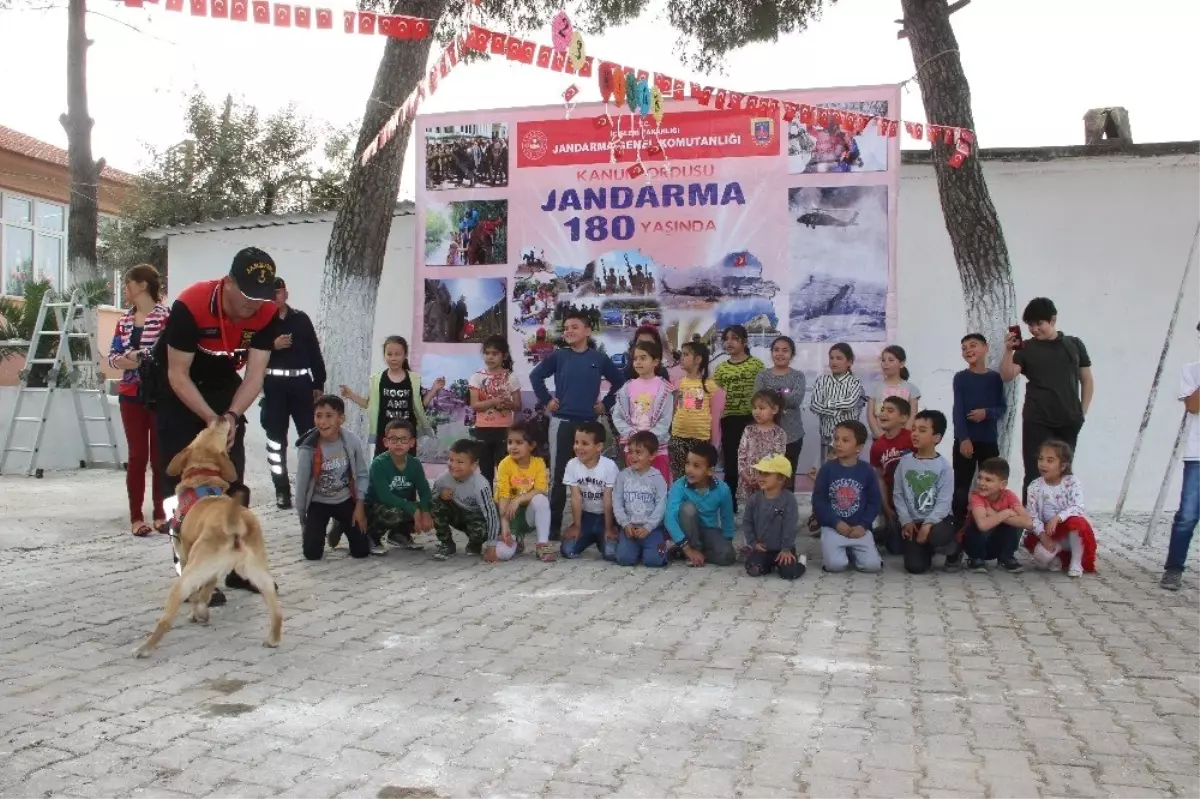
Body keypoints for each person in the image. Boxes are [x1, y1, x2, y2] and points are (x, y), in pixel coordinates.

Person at [153, 247, 283, 606]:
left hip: (222, 380)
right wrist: (210, 419)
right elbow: (177, 374)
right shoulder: (192, 304)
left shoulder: (268, 313)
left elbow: (255, 374)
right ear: (228, 283)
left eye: (261, 297)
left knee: (232, 478)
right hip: (176, 387)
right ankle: (190, 574)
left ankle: (240, 567)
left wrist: (231, 417)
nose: (253, 306)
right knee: (177, 485)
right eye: (246, 296)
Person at [529, 310, 625, 538]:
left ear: (587, 331)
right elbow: (535, 377)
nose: (569, 331)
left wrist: (606, 403)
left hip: (588, 424)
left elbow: (619, 382)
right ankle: (551, 528)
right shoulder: (559, 356)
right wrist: (547, 401)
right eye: (566, 328)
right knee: (559, 475)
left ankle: (592, 525)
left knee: (588, 476)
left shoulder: (598, 358)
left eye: (574, 327)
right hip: (562, 423)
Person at [1000, 297, 1094, 499]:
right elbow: (1007, 375)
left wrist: (1082, 412)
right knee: (1035, 472)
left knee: (1063, 472)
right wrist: (1009, 350)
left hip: (1069, 420)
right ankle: (1032, 524)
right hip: (1038, 419)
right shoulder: (1026, 348)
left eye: (1039, 323)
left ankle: (1061, 519)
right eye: (1030, 325)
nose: (1034, 329)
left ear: (1052, 320)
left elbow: (1086, 379)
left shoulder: (1074, 344)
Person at [107, 263, 170, 537]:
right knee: (136, 457)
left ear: (143, 285)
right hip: (130, 395)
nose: (125, 289)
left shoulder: (167, 317)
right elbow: (113, 357)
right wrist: (136, 358)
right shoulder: (123, 320)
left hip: (160, 395)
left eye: (128, 283)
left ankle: (160, 514)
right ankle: (135, 517)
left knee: (160, 457)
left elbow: (164, 355)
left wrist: (132, 357)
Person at [261, 277, 327, 510]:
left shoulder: (300, 319)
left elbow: (314, 350)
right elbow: (248, 352)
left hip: (301, 383)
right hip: (274, 385)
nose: (275, 297)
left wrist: (318, 381)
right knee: (275, 440)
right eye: (270, 293)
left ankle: (310, 486)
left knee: (309, 438)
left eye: (278, 292)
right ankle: (281, 490)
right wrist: (272, 345)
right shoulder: (260, 322)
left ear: (285, 294)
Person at [294, 395, 370, 561]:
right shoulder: (308, 448)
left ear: (341, 418)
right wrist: (303, 520)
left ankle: (341, 524)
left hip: (345, 499)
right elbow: (300, 486)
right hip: (318, 502)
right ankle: (327, 526)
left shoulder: (351, 440)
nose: (322, 422)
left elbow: (363, 474)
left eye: (329, 416)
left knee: (362, 551)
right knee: (312, 554)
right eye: (318, 416)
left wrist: (360, 506)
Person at [340, 336, 440, 457]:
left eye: (398, 354)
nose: (393, 358)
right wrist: (350, 394)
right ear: (384, 356)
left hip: (406, 437)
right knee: (383, 469)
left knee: (406, 470)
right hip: (385, 436)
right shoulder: (378, 379)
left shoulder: (413, 379)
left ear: (405, 355)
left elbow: (420, 405)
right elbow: (369, 404)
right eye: (389, 354)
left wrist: (434, 389)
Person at [893, 410, 958, 575]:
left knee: (937, 535)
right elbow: (898, 495)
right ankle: (926, 550)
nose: (915, 434)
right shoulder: (904, 463)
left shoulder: (944, 467)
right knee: (915, 567)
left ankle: (952, 547)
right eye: (913, 429)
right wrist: (906, 520)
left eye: (922, 430)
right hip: (914, 521)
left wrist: (928, 524)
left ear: (936, 438)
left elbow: (944, 502)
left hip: (937, 521)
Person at [813, 420, 882, 574]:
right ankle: (838, 552)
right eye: (836, 439)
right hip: (834, 528)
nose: (838, 444)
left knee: (872, 566)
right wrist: (836, 523)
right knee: (836, 566)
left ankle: (856, 551)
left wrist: (863, 525)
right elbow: (819, 501)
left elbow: (874, 502)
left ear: (859, 447)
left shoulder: (867, 471)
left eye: (845, 440)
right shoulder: (827, 470)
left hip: (859, 529)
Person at [952, 333, 1007, 525]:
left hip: (988, 441)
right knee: (961, 488)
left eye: (973, 345)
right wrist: (963, 438)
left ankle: (989, 526)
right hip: (966, 440)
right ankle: (958, 531)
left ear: (985, 348)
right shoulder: (961, 378)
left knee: (992, 487)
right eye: (964, 348)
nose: (968, 350)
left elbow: (1002, 408)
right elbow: (958, 410)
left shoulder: (995, 378)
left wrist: (987, 413)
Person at [1022, 440, 1097, 577]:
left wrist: (1058, 518)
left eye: (1050, 460)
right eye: (1041, 459)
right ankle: (1056, 558)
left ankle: (1076, 562)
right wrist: (1043, 536)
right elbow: (1032, 516)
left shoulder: (1071, 482)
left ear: (1062, 466)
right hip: (1048, 532)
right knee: (1041, 559)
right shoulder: (1034, 486)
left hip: (1069, 533)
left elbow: (1077, 506)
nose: (1043, 464)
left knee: (1077, 523)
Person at [713, 325, 765, 513]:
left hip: (751, 420)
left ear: (744, 341)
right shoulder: (720, 369)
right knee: (731, 465)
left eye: (734, 338)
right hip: (728, 421)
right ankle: (730, 505)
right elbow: (716, 398)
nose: (729, 342)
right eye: (726, 339)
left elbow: (763, 395)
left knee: (754, 462)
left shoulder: (757, 365)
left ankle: (755, 505)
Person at [1162, 343, 1200, 591]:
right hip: (1197, 454)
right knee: (1187, 514)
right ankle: (1174, 568)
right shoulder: (1191, 370)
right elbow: (1193, 406)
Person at [365, 419, 433, 556]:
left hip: (399, 504)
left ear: (412, 443)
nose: (398, 444)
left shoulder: (414, 464)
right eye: (393, 439)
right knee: (395, 512)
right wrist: (413, 509)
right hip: (375, 507)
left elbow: (424, 490)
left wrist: (425, 512)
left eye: (403, 439)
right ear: (385, 442)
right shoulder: (379, 464)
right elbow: (385, 496)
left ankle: (399, 535)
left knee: (434, 507)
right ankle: (371, 537)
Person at [664, 442, 736, 567]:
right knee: (688, 508)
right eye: (688, 463)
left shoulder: (722, 489)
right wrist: (688, 548)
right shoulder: (679, 486)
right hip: (688, 533)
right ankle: (687, 550)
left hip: (709, 531)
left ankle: (692, 554)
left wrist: (726, 542)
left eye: (696, 466)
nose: (689, 469)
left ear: (710, 471)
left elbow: (727, 519)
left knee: (728, 556)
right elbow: (669, 518)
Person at [612, 339, 674, 483]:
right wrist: (633, 436)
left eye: (643, 358)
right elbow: (618, 417)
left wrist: (648, 441)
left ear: (655, 362)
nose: (638, 362)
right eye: (635, 359)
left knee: (658, 488)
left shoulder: (665, 389)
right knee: (635, 487)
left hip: (656, 448)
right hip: (633, 447)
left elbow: (665, 420)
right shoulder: (626, 388)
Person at [494, 421, 555, 562]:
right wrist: (505, 528)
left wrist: (518, 499)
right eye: (510, 442)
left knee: (541, 499)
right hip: (509, 515)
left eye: (519, 442)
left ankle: (542, 544)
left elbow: (540, 489)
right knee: (502, 554)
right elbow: (503, 496)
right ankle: (515, 539)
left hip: (527, 514)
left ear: (532, 445)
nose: (513, 447)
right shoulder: (504, 464)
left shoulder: (539, 463)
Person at [431, 439, 501, 560]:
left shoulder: (481, 484)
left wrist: (491, 547)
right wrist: (440, 494)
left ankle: (475, 544)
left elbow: (491, 515)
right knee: (435, 502)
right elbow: (430, 499)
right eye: (451, 460)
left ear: (473, 465)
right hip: (457, 515)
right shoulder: (443, 479)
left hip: (476, 519)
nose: (454, 465)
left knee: (481, 530)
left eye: (460, 462)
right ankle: (446, 543)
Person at [560, 421, 620, 560]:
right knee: (567, 551)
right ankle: (591, 536)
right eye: (576, 442)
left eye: (584, 444)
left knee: (611, 554)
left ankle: (602, 539)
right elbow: (575, 498)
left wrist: (609, 527)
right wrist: (576, 525)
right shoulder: (572, 465)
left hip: (605, 516)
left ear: (598, 446)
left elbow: (608, 499)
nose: (578, 447)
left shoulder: (609, 466)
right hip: (586, 516)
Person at [962, 457, 1033, 573]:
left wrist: (996, 514)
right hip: (976, 545)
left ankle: (1006, 557)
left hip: (996, 545)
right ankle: (976, 559)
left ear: (1002, 484)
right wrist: (1006, 513)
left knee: (1015, 523)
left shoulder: (1009, 496)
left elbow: (1028, 523)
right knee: (976, 522)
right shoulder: (977, 496)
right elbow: (982, 525)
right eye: (980, 478)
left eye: (988, 480)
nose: (981, 483)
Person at [754, 336, 806, 489]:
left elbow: (795, 399)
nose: (780, 354)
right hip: (766, 434)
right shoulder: (762, 375)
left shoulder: (798, 376)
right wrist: (781, 398)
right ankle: (767, 509)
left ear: (792, 354)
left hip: (792, 434)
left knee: (787, 476)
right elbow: (758, 401)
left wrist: (771, 399)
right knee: (766, 475)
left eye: (785, 350)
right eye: (776, 350)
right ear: (771, 353)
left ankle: (786, 509)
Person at [468, 335, 521, 488]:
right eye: (487, 353)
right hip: (483, 429)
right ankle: (487, 504)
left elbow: (518, 405)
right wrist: (493, 402)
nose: (490, 357)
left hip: (505, 429)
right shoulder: (477, 377)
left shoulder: (510, 377)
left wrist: (507, 403)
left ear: (503, 356)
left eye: (495, 354)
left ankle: (505, 502)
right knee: (485, 471)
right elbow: (475, 405)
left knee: (505, 468)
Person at [742, 454, 805, 581]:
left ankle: (801, 563)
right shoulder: (754, 500)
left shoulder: (789, 499)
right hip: (763, 549)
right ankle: (769, 565)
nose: (760, 477)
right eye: (760, 473)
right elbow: (747, 522)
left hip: (784, 549)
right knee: (753, 569)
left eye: (766, 474)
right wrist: (753, 543)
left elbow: (790, 526)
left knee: (789, 574)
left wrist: (786, 549)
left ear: (781, 478)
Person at [614, 431, 670, 568]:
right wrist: (625, 524)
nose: (633, 456)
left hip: (652, 529)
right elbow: (617, 502)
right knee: (624, 559)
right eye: (630, 451)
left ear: (652, 455)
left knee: (654, 561)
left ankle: (665, 547)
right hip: (630, 528)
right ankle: (634, 549)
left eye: (638, 452)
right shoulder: (623, 476)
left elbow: (661, 505)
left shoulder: (657, 478)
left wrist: (648, 527)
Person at [668, 341, 724, 480]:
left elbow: (715, 417)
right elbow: (675, 409)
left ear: (698, 359)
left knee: (699, 477)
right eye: (681, 354)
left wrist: (714, 442)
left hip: (700, 439)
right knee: (679, 476)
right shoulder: (678, 383)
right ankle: (680, 500)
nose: (682, 357)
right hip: (678, 436)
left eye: (686, 354)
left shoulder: (710, 386)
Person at [869, 396, 913, 555]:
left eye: (890, 410)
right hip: (892, 498)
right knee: (896, 549)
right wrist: (886, 506)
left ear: (903, 418)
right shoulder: (877, 445)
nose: (883, 414)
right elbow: (880, 478)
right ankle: (884, 530)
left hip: (912, 497)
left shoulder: (911, 439)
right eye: (882, 410)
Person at [810, 343, 866, 461]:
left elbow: (850, 403)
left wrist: (828, 403)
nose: (834, 361)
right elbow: (814, 405)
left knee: (848, 468)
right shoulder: (822, 380)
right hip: (827, 434)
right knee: (828, 468)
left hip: (849, 436)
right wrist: (836, 412)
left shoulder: (854, 381)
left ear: (849, 362)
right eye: (831, 358)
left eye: (839, 358)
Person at [737, 390, 788, 504]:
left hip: (768, 483)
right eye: (755, 408)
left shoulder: (779, 433)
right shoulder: (748, 430)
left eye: (762, 408)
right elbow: (741, 456)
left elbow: (778, 460)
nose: (757, 412)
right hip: (748, 481)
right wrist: (745, 476)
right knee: (750, 513)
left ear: (774, 410)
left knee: (767, 512)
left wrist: (762, 478)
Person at [868, 345, 921, 438]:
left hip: (903, 440)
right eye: (883, 360)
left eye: (891, 360)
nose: (885, 363)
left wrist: (903, 436)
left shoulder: (911, 388)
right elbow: (870, 414)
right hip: (880, 438)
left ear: (902, 363)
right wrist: (880, 436)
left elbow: (913, 414)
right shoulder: (875, 387)